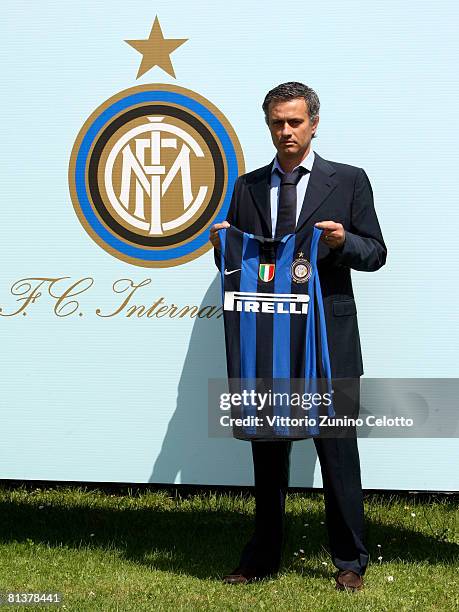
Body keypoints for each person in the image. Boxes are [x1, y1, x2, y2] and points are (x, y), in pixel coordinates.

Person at [209, 82, 387, 592]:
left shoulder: (349, 181)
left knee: (337, 452)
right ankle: (262, 556)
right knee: (267, 452)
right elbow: (241, 265)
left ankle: (351, 561)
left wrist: (342, 242)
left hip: (330, 342)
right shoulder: (246, 187)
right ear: (268, 125)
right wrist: (220, 246)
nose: (285, 131)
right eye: (276, 123)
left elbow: (375, 253)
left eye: (294, 122)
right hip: (267, 342)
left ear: (313, 123)